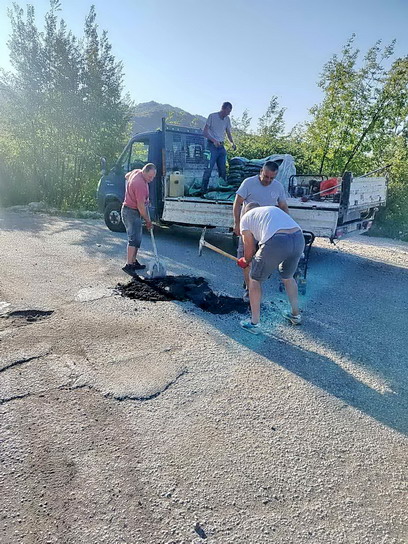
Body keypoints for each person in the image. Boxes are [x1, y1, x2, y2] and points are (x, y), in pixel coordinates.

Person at [237, 203, 305, 334]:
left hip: (277, 241)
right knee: (288, 277)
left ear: (246, 211)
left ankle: (254, 323)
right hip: (298, 238)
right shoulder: (270, 211)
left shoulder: (246, 218)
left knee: (254, 279)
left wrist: (245, 261)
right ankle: (295, 315)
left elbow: (249, 250)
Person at [233, 161, 289, 300]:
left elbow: (283, 206)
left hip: (267, 230)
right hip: (249, 228)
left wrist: (286, 225)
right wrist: (237, 223)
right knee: (246, 258)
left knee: (262, 260)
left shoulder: (278, 186)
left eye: (272, 178)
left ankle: (254, 281)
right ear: (261, 172)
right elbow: (237, 203)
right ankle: (249, 290)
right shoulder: (249, 183)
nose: (268, 180)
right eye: (266, 177)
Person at [121, 163, 156, 275]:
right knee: (133, 239)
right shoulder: (140, 184)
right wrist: (148, 221)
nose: (151, 179)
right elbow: (141, 207)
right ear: (144, 171)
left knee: (137, 238)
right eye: (150, 177)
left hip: (131, 210)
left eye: (153, 177)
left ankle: (133, 261)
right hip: (131, 212)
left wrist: (132, 192)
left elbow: (126, 176)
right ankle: (128, 265)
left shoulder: (137, 171)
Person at [200, 102, 236, 195]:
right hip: (211, 146)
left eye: (230, 112)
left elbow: (228, 133)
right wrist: (214, 140)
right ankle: (203, 191)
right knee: (208, 169)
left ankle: (222, 192)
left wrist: (232, 143)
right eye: (228, 111)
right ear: (223, 109)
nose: (228, 113)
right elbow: (205, 132)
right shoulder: (212, 116)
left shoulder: (227, 119)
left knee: (223, 170)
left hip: (221, 147)